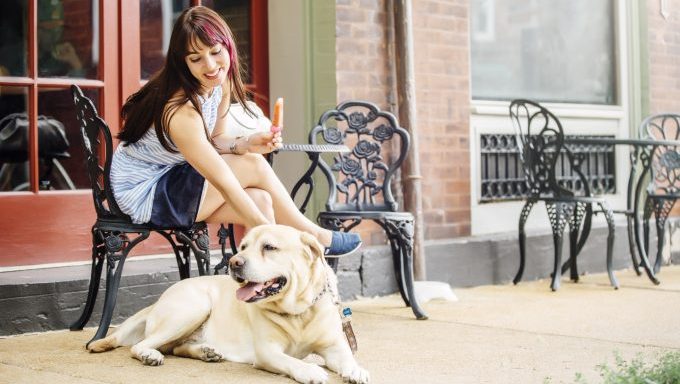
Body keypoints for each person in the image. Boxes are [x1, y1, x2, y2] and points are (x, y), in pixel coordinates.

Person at [110, 6, 361, 256]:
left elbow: (215, 140)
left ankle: (265, 283)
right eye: (196, 58)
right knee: (253, 166)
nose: (210, 65)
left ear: (227, 45)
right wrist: (271, 234)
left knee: (261, 200)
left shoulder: (220, 82)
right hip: (147, 193)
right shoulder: (181, 111)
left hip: (174, 177)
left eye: (215, 52)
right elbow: (224, 181)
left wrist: (247, 143)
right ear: (182, 63)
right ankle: (312, 237)